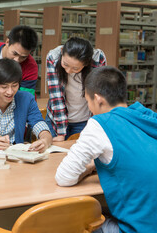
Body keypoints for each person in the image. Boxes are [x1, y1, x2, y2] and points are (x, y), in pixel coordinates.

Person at [55, 66, 157, 233]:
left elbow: (64, 178)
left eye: (87, 101)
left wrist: (88, 170)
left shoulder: (100, 124)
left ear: (98, 98)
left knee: (76, 219)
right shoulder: (145, 115)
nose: (89, 108)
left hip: (138, 228)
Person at [45, 37, 107, 141]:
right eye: (65, 64)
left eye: (75, 68)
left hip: (84, 121)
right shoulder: (53, 57)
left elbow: (97, 97)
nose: (68, 71)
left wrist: (95, 126)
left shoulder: (97, 59)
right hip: (56, 120)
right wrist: (61, 133)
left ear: (86, 63)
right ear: (62, 52)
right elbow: (57, 97)